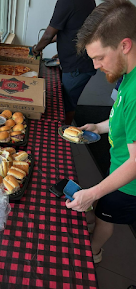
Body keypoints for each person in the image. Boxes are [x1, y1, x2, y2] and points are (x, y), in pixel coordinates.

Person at [66, 0, 136, 264]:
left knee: (107, 214)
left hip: (129, 183)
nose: (95, 66)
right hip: (118, 165)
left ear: (124, 45)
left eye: (99, 57)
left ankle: (93, 253)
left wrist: (93, 192)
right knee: (101, 208)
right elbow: (122, 120)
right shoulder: (128, 72)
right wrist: (99, 127)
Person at [32, 0, 96, 125]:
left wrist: (36, 49)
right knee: (64, 102)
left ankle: (64, 135)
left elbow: (48, 35)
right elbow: (71, 30)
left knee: (66, 105)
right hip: (79, 61)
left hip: (76, 65)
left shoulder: (66, 2)